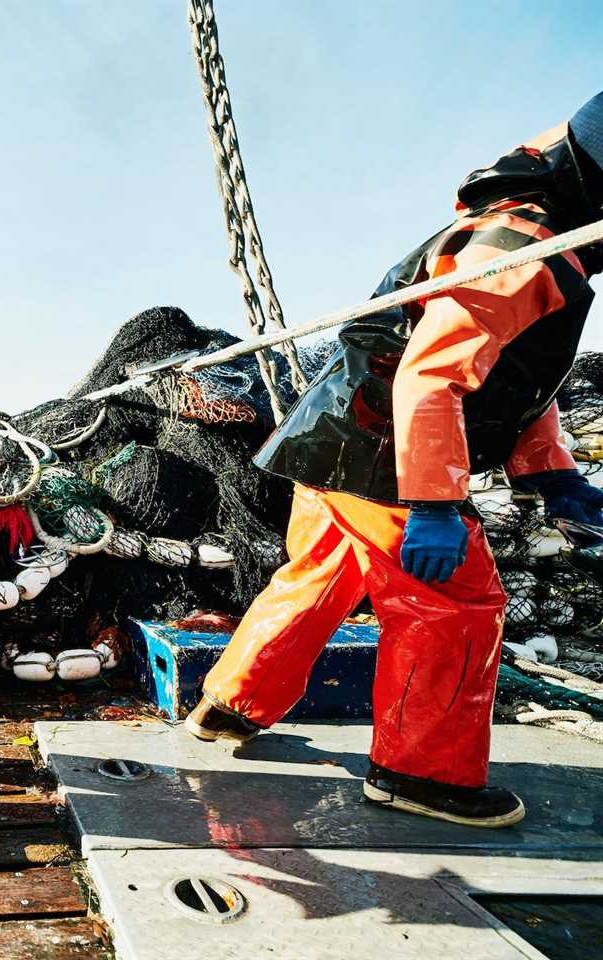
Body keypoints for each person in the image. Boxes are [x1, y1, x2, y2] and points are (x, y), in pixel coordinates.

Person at [185, 93, 603, 828]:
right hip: (387, 450)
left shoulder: (520, 233)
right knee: (456, 605)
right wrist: (437, 506)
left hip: (336, 445)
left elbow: (514, 380)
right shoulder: (520, 246)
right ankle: (420, 774)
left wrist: (553, 471)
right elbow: (432, 376)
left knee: (319, 576)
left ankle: (229, 705)